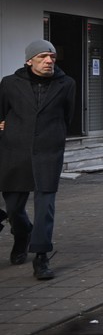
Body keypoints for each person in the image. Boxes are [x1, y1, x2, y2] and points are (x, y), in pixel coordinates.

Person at [0, 40, 76, 280]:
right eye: (43, 56)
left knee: (45, 208)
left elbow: (68, 116)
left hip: (48, 152)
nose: (49, 61)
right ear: (29, 60)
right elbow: (2, 113)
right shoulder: (9, 84)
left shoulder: (66, 84)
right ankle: (22, 234)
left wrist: (53, 137)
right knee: (13, 207)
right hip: (14, 152)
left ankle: (41, 256)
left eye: (52, 57)